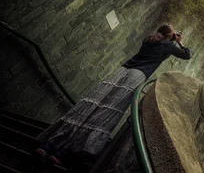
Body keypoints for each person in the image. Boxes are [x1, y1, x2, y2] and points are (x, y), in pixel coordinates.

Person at [34, 23, 192, 169]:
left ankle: (49, 145)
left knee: (93, 103)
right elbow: (187, 55)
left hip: (122, 70)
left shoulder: (148, 40)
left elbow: (159, 40)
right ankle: (64, 153)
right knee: (107, 112)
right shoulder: (167, 46)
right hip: (136, 76)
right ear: (169, 36)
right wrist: (179, 41)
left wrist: (169, 36)